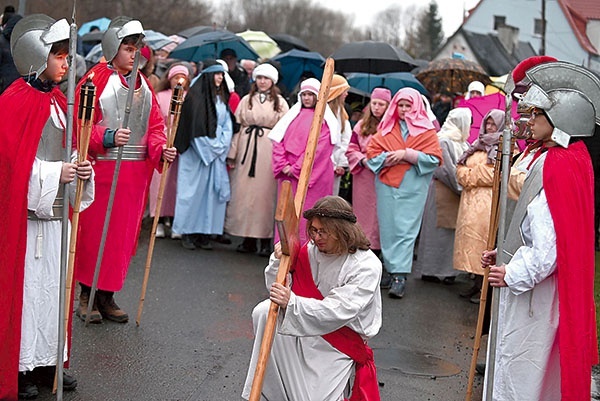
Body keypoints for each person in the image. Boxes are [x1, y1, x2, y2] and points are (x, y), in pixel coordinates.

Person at [483, 60, 599, 400]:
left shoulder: (559, 165)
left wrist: (512, 271)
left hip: (537, 293)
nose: (528, 121)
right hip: (539, 286)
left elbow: (548, 248)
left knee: (522, 374)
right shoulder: (562, 156)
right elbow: (533, 226)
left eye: (537, 114)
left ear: (561, 116)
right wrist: (505, 251)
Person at [0, 14, 94, 399]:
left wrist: (81, 166)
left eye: (67, 56)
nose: (66, 63)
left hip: (56, 218)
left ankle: (48, 362)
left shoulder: (59, 101)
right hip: (27, 220)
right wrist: (58, 172)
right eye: (59, 56)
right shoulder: (12, 101)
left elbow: (69, 146)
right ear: (39, 57)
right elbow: (11, 164)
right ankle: (21, 367)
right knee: (28, 294)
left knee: (55, 293)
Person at [74, 17, 176, 324]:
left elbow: (155, 126)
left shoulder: (142, 83)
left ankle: (106, 294)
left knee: (122, 238)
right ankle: (85, 294)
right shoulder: (94, 80)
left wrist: (161, 149)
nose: (134, 54)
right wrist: (105, 136)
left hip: (133, 177)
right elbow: (79, 125)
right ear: (113, 48)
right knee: (95, 235)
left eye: (136, 49)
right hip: (102, 172)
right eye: (127, 48)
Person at [242, 195, 382, 401]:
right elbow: (277, 288)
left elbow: (339, 310)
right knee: (265, 311)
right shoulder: (310, 250)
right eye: (314, 230)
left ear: (342, 231)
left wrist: (292, 303)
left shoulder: (366, 265)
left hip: (338, 340)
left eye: (324, 231)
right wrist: (278, 261)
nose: (316, 237)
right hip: (300, 326)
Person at [366, 87, 442, 299]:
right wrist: (390, 156)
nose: (405, 109)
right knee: (388, 229)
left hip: (413, 187)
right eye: (401, 105)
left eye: (409, 105)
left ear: (416, 106)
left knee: (406, 231)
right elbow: (372, 155)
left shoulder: (427, 132)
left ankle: (400, 275)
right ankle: (391, 270)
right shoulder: (385, 129)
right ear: (395, 107)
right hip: (387, 187)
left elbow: (435, 159)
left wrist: (407, 154)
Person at [224, 63, 289, 256]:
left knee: (265, 196)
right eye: (259, 78)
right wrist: (232, 154)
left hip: (267, 150)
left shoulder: (281, 102)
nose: (262, 81)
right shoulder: (247, 100)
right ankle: (246, 238)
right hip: (246, 148)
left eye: (266, 78)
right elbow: (237, 127)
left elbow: (285, 131)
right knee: (243, 195)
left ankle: (264, 239)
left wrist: (280, 159)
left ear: (272, 81)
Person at [269, 77, 339, 245]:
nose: (307, 98)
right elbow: (278, 141)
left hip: (312, 177)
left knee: (307, 216)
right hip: (289, 175)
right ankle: (283, 251)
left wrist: (297, 168)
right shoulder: (291, 116)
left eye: (311, 94)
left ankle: (307, 253)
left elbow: (319, 149)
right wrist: (283, 165)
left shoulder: (325, 121)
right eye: (304, 94)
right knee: (287, 215)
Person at [173, 62, 233, 250]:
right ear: (208, 76)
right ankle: (188, 232)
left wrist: (221, 145)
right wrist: (212, 149)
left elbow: (227, 126)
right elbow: (194, 131)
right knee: (192, 195)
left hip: (214, 155)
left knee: (209, 197)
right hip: (196, 156)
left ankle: (204, 233)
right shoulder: (194, 99)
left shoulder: (221, 99)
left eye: (222, 75)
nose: (220, 78)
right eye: (217, 75)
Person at [415, 108, 472, 284]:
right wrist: (461, 185)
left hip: (453, 190)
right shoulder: (444, 140)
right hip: (443, 189)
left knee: (449, 233)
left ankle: (447, 271)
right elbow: (445, 169)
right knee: (437, 231)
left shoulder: (462, 142)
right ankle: (432, 269)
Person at [453, 109, 504, 303]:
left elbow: (493, 174)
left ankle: (484, 287)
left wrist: (469, 175)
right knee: (470, 243)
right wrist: (470, 175)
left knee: (484, 242)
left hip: (487, 203)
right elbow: (459, 169)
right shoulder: (478, 144)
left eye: (494, 124)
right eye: (488, 123)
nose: (490, 127)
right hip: (469, 203)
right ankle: (475, 282)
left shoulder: (504, 147)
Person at [345, 87, 391, 261]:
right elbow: (351, 147)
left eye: (381, 104)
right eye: (374, 103)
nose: (377, 107)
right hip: (363, 175)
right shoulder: (361, 125)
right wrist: (362, 159)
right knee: (363, 213)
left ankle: (378, 251)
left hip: (383, 174)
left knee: (380, 215)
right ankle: (361, 245)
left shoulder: (391, 126)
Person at [149, 63, 192, 239]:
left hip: (181, 142)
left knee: (177, 184)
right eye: (175, 77)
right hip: (163, 139)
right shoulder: (160, 96)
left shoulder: (189, 98)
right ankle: (157, 219)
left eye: (182, 77)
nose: (178, 81)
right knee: (160, 183)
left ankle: (175, 220)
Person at [328, 74, 351, 196]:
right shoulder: (323, 114)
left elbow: (345, 141)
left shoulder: (342, 114)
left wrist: (341, 163)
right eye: (344, 91)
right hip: (322, 165)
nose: (346, 94)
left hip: (336, 167)